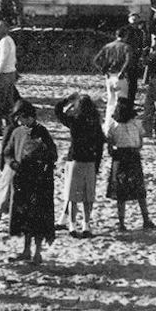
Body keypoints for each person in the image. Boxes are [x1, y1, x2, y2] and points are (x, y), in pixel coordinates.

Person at [3, 100, 57, 263]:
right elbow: (8, 153)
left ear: (29, 117)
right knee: (25, 217)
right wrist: (13, 163)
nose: (19, 121)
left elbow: (53, 154)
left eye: (21, 118)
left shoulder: (42, 132)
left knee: (39, 217)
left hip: (40, 181)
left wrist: (41, 160)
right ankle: (26, 250)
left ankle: (38, 252)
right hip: (22, 180)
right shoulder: (17, 132)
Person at [54, 92, 105, 237]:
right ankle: (86, 226)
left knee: (72, 196)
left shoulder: (75, 121)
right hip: (90, 161)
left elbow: (57, 111)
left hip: (75, 160)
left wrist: (68, 101)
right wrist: (97, 165)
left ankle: (71, 225)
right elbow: (100, 146)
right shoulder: (95, 124)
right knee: (87, 198)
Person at [104, 100, 155, 231]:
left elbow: (110, 146)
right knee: (139, 190)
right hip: (134, 156)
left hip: (120, 157)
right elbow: (140, 143)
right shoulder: (136, 123)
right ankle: (146, 219)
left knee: (120, 193)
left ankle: (121, 223)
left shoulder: (113, 125)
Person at [0, 19, 20, 138]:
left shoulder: (3, 42)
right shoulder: (10, 40)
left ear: (5, 29)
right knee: (8, 102)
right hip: (10, 73)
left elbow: (2, 59)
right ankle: (10, 126)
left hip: (3, 74)